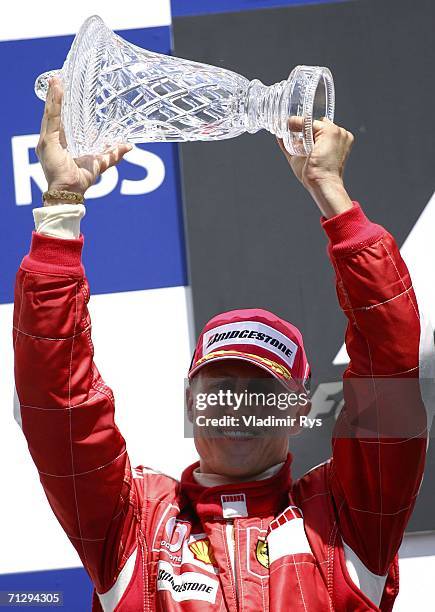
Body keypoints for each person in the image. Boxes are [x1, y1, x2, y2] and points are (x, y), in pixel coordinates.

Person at [12, 77, 431, 611]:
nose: (237, 405)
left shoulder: (346, 519)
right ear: (192, 403)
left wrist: (333, 196)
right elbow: (58, 404)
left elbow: (391, 366)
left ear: (298, 410)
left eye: (260, 390)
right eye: (221, 386)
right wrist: (61, 209)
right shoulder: (133, 525)